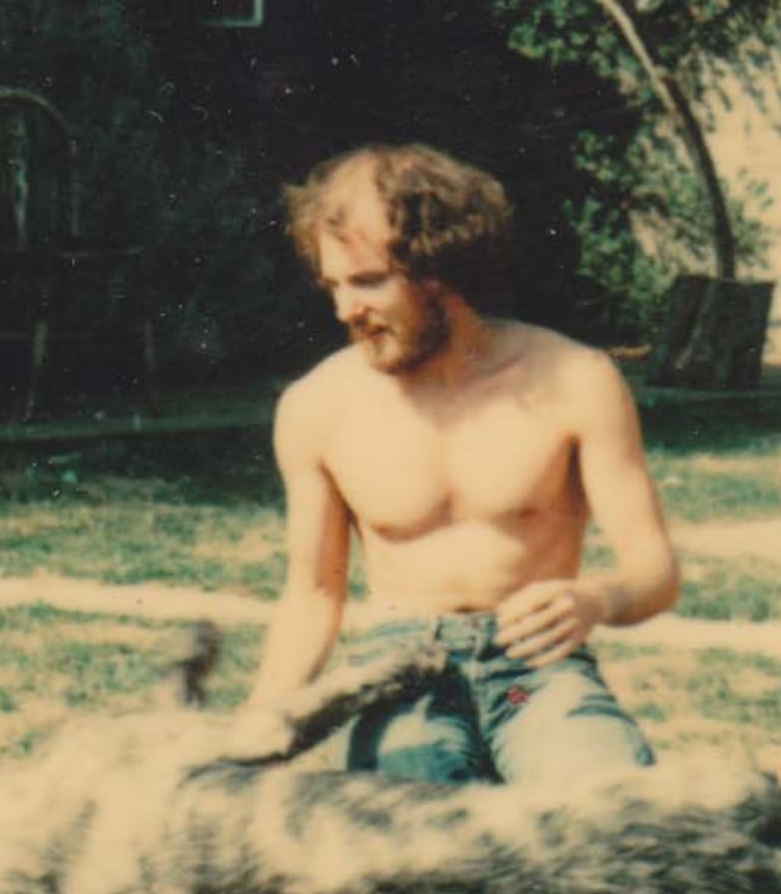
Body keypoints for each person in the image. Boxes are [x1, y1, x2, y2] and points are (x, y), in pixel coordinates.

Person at [250, 143, 680, 784]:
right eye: (333, 285)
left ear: (440, 270)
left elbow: (655, 572)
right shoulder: (318, 407)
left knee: (606, 809)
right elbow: (313, 594)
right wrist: (262, 716)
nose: (344, 311)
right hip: (397, 671)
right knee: (412, 831)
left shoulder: (576, 380)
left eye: (366, 282)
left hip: (536, 671)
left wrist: (598, 598)